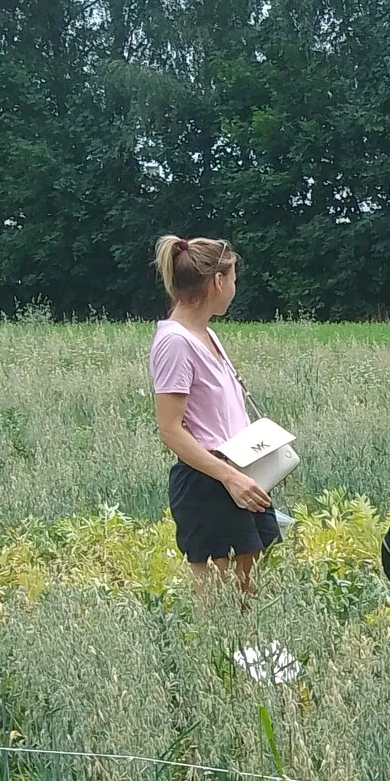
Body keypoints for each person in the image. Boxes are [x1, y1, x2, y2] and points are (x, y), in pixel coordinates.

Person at [150, 233, 280, 595]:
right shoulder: (175, 342)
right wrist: (230, 479)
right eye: (233, 278)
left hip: (237, 475)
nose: (235, 289)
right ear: (218, 281)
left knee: (252, 596)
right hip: (208, 484)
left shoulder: (206, 335)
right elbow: (170, 430)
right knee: (219, 604)